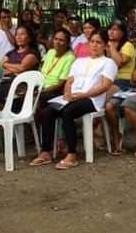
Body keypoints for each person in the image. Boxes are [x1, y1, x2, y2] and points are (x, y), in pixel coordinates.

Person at [29, 30, 118, 170]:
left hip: (92, 100)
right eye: (92, 42)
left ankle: (71, 154)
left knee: (68, 112)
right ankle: (46, 152)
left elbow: (104, 86)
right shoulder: (79, 61)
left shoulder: (108, 63)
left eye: (99, 42)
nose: (94, 45)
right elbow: (69, 81)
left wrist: (81, 95)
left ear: (106, 46)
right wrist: (67, 94)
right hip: (72, 97)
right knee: (47, 111)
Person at [0, 25, 41, 110]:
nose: (18, 37)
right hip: (7, 82)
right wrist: (12, 69)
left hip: (22, 86)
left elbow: (22, 68)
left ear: (30, 38)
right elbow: (0, 67)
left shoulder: (32, 53)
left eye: (22, 34)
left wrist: (6, 65)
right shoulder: (11, 52)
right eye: (17, 34)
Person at [38, 28, 76, 107]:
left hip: (54, 90)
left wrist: (42, 91)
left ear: (67, 43)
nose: (57, 42)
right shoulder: (50, 52)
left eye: (61, 40)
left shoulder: (70, 57)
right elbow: (41, 71)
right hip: (40, 86)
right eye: (56, 39)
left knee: (37, 98)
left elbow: (60, 84)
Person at [106, 19, 136, 89]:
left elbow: (120, 62)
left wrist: (111, 46)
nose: (111, 32)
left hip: (125, 81)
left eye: (115, 30)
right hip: (109, 79)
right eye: (109, 29)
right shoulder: (106, 46)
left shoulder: (128, 45)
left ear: (123, 33)